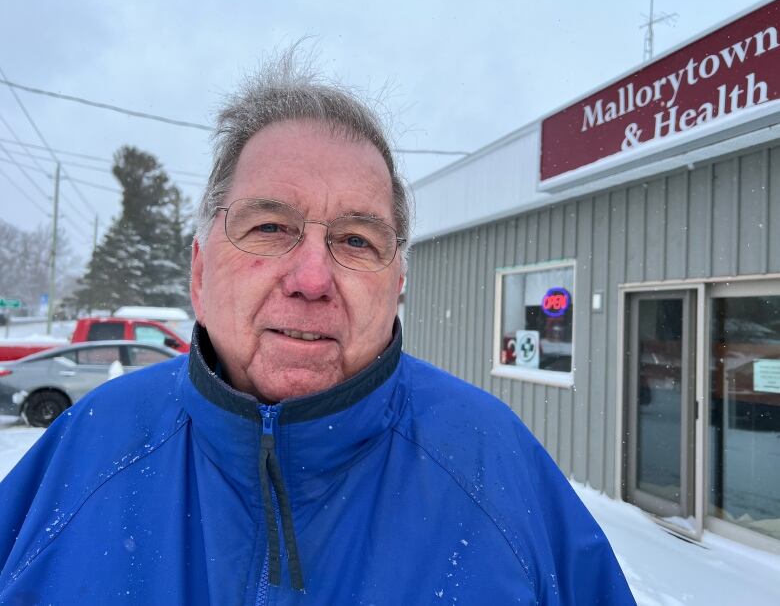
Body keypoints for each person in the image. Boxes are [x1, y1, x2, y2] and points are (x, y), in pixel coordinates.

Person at [0, 50, 635, 605]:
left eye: (356, 240)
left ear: (397, 285)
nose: (312, 277)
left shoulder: (497, 469)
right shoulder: (86, 454)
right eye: (269, 226)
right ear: (199, 273)